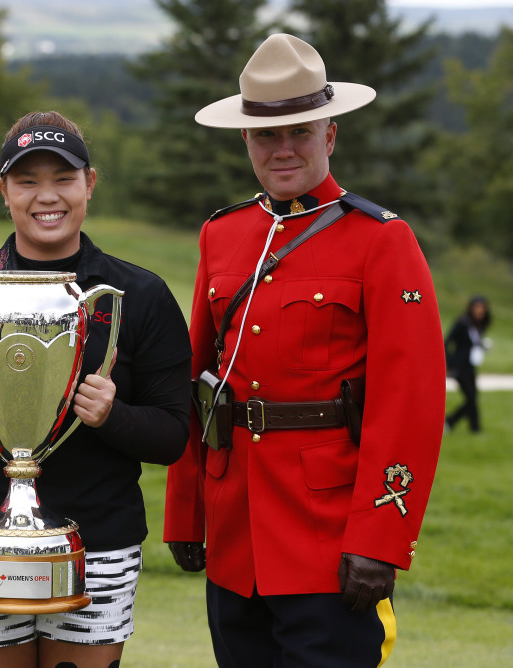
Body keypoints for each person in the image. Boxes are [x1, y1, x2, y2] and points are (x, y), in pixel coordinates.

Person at [163, 34, 445, 667]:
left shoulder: (381, 240)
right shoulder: (223, 234)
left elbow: (411, 404)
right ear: (246, 141)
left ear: (330, 135)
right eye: (266, 135)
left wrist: (382, 537)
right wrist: (187, 512)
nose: (283, 148)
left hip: (330, 540)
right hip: (236, 537)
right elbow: (200, 386)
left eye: (300, 130)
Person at [0, 111, 191, 668]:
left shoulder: (138, 296)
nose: (46, 196)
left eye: (63, 178)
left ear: (90, 184)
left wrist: (114, 416)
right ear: (3, 191)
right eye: (27, 180)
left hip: (98, 546)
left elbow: (172, 436)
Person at [445, 295, 492, 433]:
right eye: (477, 307)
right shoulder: (462, 323)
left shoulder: (480, 324)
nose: (479, 311)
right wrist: (449, 364)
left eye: (482, 308)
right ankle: (453, 421)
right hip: (459, 366)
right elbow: (447, 342)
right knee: (471, 396)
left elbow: (472, 343)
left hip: (471, 365)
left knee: (473, 397)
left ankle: (474, 428)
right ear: (471, 308)